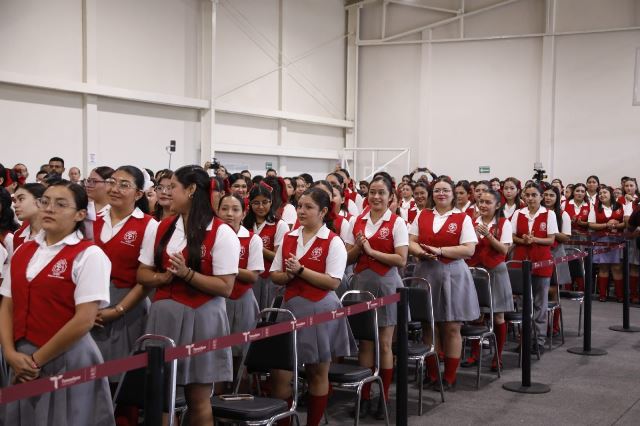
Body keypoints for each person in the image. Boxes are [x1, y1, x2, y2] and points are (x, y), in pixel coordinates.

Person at [0, 180, 114, 425]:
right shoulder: (23, 250)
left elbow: (84, 319)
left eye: (61, 204)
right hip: (21, 358)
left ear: (80, 214)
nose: (49, 209)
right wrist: (10, 353)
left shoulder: (89, 255)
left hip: (67, 356)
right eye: (45, 202)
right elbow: (8, 304)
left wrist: (35, 361)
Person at [137, 165, 238, 426]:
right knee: (159, 398)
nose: (166, 192)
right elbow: (143, 273)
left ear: (191, 190)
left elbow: (226, 287)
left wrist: (187, 274)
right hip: (163, 317)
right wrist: (162, 278)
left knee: (198, 399)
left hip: (202, 317)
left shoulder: (221, 232)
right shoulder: (161, 227)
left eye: (172, 187)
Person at [270, 187, 353, 426]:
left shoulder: (333, 241)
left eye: (308, 207)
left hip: (321, 309)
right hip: (290, 309)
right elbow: (274, 274)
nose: (301, 211)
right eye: (299, 206)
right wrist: (287, 276)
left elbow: (333, 282)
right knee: (280, 374)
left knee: (317, 371)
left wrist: (301, 271)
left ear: (323, 211)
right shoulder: (289, 237)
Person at [90, 166, 157, 425]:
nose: (115, 188)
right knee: (91, 377)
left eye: (124, 185)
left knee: (123, 382)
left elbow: (146, 280)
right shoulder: (92, 220)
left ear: (139, 193)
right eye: (112, 182)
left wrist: (117, 310)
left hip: (128, 306)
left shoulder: (148, 225)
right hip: (90, 307)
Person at [408, 176, 478, 390]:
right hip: (426, 272)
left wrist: (440, 251)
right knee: (429, 325)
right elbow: (411, 241)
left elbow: (469, 249)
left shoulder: (462, 218)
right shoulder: (423, 214)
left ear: (453, 193)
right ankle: (432, 374)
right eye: (437, 190)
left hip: (453, 274)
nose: (441, 194)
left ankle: (449, 376)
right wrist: (420, 252)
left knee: (451, 327)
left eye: (446, 190)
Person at [347, 175, 408, 417]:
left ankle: (383, 397)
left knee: (384, 343)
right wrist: (358, 248)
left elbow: (401, 259)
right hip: (362, 283)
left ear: (391, 196)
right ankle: (363, 396)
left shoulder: (397, 222)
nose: (376, 197)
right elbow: (347, 258)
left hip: (387, 285)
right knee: (365, 342)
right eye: (372, 192)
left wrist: (371, 251)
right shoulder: (357, 220)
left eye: (381, 192)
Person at [463, 189, 513, 371]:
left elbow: (504, 250)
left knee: (498, 315)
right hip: (475, 271)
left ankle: (497, 357)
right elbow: (466, 246)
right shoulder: (471, 222)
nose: (483, 205)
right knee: (476, 313)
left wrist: (489, 235)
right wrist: (475, 236)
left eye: (488, 202)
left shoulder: (504, 223)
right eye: (481, 202)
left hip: (496, 272)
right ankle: (474, 354)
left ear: (497, 205)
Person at [217, 194, 263, 386]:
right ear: (217, 211)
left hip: (242, 299)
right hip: (216, 298)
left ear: (244, 214)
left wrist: (226, 265)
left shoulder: (252, 240)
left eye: (235, 209)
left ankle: (239, 393)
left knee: (240, 354)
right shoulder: (210, 236)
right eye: (224, 209)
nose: (229, 214)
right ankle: (215, 397)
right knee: (216, 352)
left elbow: (253, 276)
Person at [511, 182, 558, 354]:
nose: (530, 198)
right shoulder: (518, 213)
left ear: (541, 197)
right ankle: (524, 339)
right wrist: (523, 240)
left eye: (534, 195)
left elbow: (551, 239)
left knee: (540, 303)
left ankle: (538, 340)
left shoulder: (549, 214)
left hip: (541, 261)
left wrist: (535, 239)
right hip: (521, 260)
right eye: (527, 195)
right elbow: (512, 236)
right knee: (523, 303)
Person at [243, 183, 289, 310]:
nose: (261, 207)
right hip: (248, 276)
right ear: (250, 204)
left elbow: (278, 257)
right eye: (256, 203)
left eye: (265, 202)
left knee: (268, 313)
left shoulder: (279, 225)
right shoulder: (245, 224)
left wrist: (257, 247)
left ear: (271, 202)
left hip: (269, 278)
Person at [543, 184, 572, 337]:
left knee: (554, 290)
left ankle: (554, 325)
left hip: (556, 252)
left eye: (551, 195)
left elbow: (566, 237)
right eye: (545, 195)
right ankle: (541, 325)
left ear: (557, 197)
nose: (548, 198)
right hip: (540, 253)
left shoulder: (563, 214)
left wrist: (552, 231)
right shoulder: (539, 212)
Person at [588, 186, 625, 302]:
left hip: (617, 241)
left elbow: (626, 223)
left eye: (605, 192)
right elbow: (591, 224)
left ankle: (620, 296)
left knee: (617, 268)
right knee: (603, 267)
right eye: (600, 193)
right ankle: (602, 295)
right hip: (601, 240)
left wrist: (616, 225)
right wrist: (606, 225)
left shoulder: (620, 206)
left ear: (611, 194)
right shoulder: (595, 208)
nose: (602, 195)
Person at [12, 183, 46, 250]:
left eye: (21, 199)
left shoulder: (56, 235)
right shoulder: (18, 236)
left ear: (40, 201)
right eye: (15, 201)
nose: (15, 205)